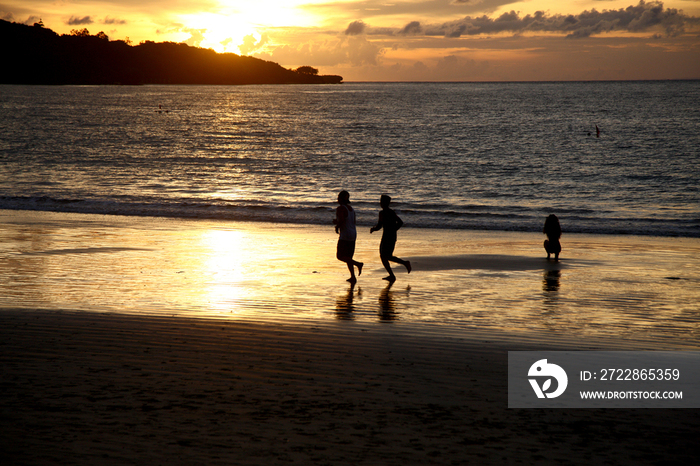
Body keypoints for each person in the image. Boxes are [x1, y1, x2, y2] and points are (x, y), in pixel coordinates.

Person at [370, 194, 411, 282]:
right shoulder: (392, 212)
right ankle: (393, 274)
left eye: (381, 201)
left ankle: (403, 265)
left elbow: (379, 226)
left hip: (386, 237)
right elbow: (400, 222)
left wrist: (373, 229)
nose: (380, 203)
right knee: (387, 256)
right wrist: (394, 230)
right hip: (392, 236)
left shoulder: (382, 213)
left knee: (384, 256)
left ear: (383, 203)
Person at [333, 190, 363, 283]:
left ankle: (358, 264)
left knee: (340, 256)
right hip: (353, 234)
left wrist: (337, 226)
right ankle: (353, 277)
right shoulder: (351, 209)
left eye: (338, 197)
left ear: (341, 199)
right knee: (348, 257)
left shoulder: (340, 208)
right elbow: (352, 221)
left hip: (345, 234)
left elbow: (341, 220)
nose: (337, 199)